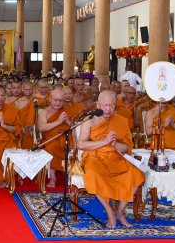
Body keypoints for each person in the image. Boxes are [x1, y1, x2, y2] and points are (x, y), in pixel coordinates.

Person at [76, 90, 144, 228]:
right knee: (93, 175)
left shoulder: (121, 121)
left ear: (115, 106)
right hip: (94, 157)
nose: (108, 109)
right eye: (104, 106)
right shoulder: (89, 120)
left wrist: (115, 144)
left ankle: (119, 211)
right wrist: (104, 141)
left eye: (111, 106)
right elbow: (81, 144)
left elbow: (127, 148)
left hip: (114, 157)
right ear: (97, 104)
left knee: (137, 176)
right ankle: (109, 211)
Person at [38, 88, 72, 187]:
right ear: (50, 99)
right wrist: (57, 122)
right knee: (51, 148)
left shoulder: (67, 111)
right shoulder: (44, 112)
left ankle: (70, 176)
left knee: (73, 148)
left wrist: (68, 122)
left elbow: (75, 127)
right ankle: (53, 178)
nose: (58, 103)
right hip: (50, 140)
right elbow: (41, 128)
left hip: (67, 138)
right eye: (55, 100)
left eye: (60, 100)